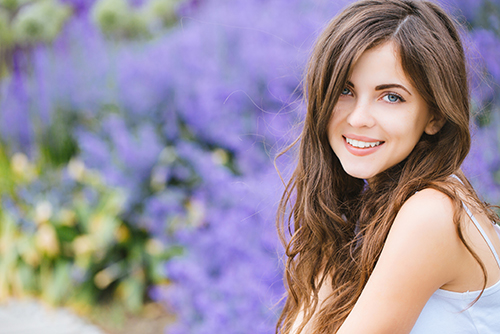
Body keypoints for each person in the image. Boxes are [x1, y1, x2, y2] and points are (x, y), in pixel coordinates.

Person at [275, 0, 500, 333]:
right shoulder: (369, 208)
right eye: (344, 90)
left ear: (435, 115)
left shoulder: (433, 212)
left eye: (391, 96)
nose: (358, 118)